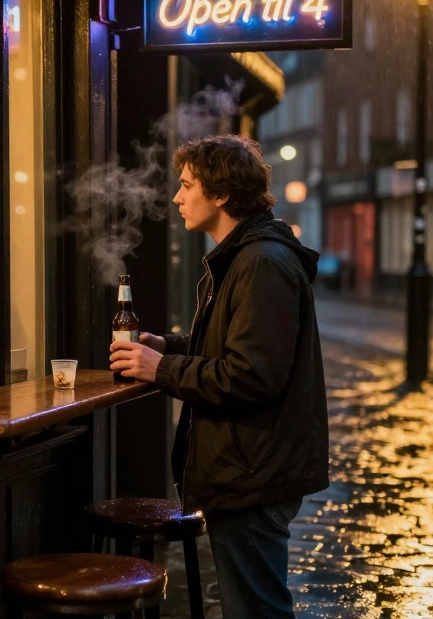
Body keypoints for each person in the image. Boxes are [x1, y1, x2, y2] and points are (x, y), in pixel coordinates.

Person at [109, 135, 329, 619]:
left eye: (187, 185)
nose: (177, 197)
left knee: (256, 610)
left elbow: (250, 375)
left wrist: (160, 369)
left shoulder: (261, 264)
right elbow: (234, 348)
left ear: (222, 194)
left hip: (253, 469)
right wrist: (167, 346)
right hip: (248, 465)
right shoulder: (240, 259)